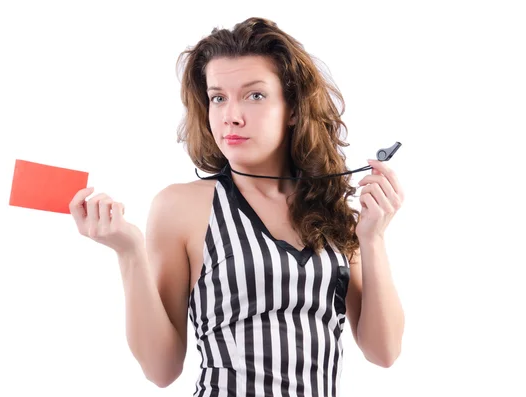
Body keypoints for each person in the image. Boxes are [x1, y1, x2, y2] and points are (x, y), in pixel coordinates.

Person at [69, 16, 405, 397]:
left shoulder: (331, 208)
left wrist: (373, 238)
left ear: (293, 108)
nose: (231, 115)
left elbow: (384, 351)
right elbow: (161, 369)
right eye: (218, 97)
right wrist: (129, 252)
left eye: (254, 95)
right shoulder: (182, 207)